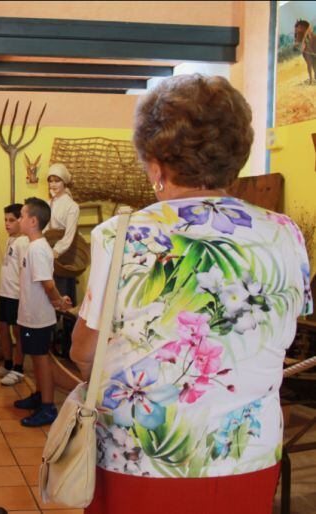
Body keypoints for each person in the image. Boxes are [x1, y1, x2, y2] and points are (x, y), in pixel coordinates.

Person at [70, 74, 313, 514]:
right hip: (248, 453)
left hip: (142, 456)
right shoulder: (285, 233)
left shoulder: (121, 237)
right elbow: (282, 329)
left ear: (157, 162)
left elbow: (84, 351)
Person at [12, 198, 72, 427]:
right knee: (36, 360)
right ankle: (39, 395)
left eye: (22, 215)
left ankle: (48, 407)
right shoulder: (32, 246)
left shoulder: (38, 249)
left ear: (33, 221)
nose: (19, 220)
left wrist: (58, 302)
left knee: (42, 360)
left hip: (39, 318)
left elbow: (47, 283)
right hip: (30, 315)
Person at [0, 203, 29, 386]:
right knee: (2, 327)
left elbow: (25, 271)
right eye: (5, 220)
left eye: (11, 220)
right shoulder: (10, 239)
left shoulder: (24, 242)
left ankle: (18, 369)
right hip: (4, 292)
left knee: (17, 332)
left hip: (16, 294)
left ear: (22, 220)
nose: (7, 224)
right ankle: (7, 364)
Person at [45, 163, 80, 356]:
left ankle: (68, 347)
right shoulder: (49, 203)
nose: (53, 184)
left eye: (57, 180)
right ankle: (49, 344)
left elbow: (69, 235)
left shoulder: (72, 207)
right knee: (48, 300)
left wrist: (56, 252)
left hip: (63, 259)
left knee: (65, 302)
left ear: (64, 182)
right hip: (48, 256)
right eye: (50, 180)